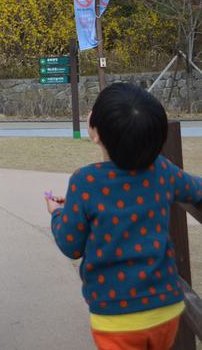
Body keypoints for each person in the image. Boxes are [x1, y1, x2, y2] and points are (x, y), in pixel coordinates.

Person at [45, 81, 202, 350]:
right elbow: (196, 189)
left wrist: (57, 213)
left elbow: (71, 244)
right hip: (166, 309)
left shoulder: (84, 181)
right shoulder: (162, 170)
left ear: (95, 133)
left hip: (115, 319)